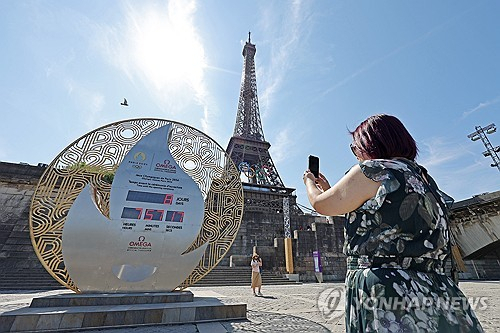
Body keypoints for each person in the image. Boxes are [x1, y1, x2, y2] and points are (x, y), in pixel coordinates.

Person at [303, 114, 483, 332]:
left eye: (355, 148)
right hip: (436, 287)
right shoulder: (423, 178)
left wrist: (309, 183)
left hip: (389, 289)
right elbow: (379, 216)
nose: (356, 154)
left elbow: (321, 205)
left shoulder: (372, 170)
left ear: (370, 144)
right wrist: (332, 189)